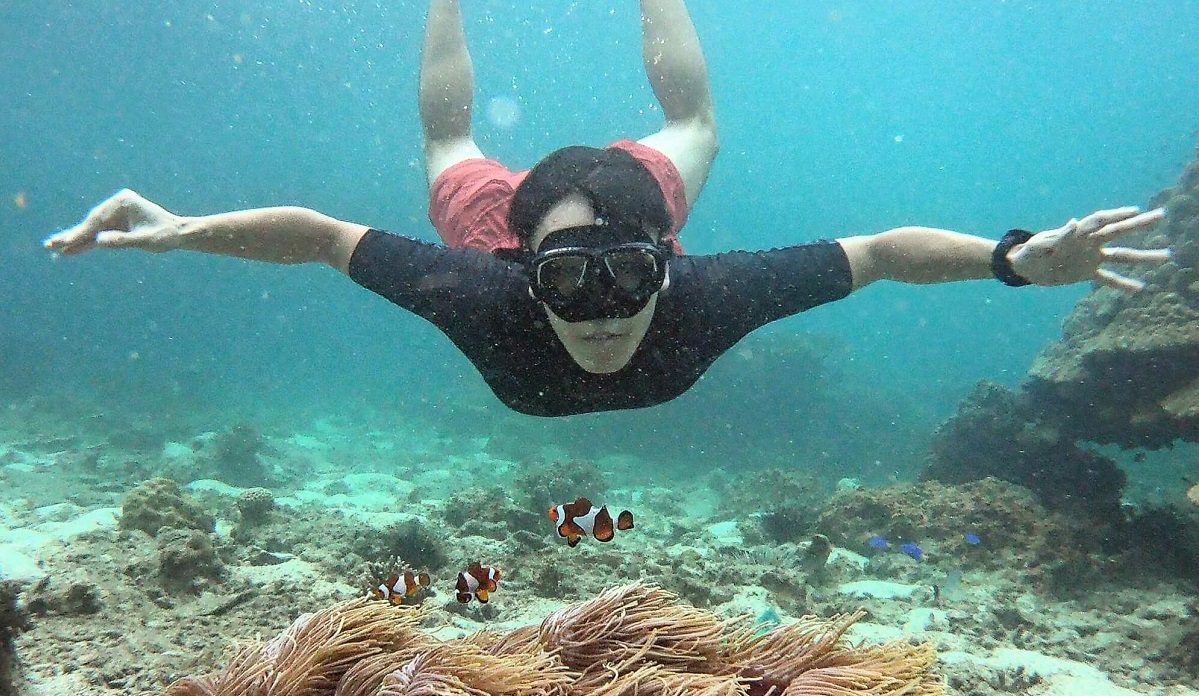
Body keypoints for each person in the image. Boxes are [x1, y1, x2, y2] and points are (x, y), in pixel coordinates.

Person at [43, 187, 1168, 417]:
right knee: (454, 155)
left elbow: (876, 250)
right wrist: (179, 232)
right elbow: (318, 236)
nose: (597, 309)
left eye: (626, 276)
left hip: (629, 194)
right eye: (564, 279)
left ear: (668, 268)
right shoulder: (472, 287)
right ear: (520, 270)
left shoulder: (707, 294)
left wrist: (1012, 260)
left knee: (687, 135)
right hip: (499, 210)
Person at [419, 0, 717, 258]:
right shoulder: (682, 293)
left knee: (449, 140)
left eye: (625, 268)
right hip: (629, 201)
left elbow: (447, 138)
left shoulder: (488, 257)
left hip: (506, 224)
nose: (598, 315)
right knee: (692, 123)